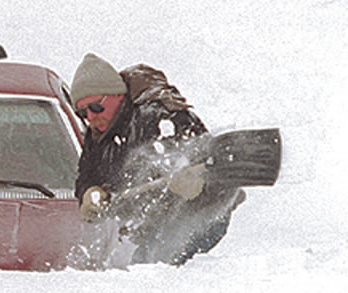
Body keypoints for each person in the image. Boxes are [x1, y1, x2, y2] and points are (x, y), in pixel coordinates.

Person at [70, 53, 244, 266]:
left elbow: (213, 163)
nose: (90, 116)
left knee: (154, 271)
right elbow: (85, 175)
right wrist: (89, 191)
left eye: (96, 106)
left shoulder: (160, 115)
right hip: (148, 225)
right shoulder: (97, 135)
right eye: (82, 112)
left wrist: (198, 182)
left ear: (118, 95)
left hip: (200, 216)